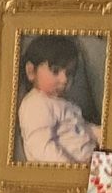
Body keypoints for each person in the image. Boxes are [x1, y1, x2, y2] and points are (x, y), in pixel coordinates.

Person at [16, 34, 101, 165]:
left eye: (69, 73)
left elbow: (83, 128)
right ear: (31, 71)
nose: (65, 80)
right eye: (55, 71)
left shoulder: (63, 102)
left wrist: (103, 134)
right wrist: (71, 169)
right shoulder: (35, 104)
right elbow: (41, 148)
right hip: (69, 173)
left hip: (92, 162)